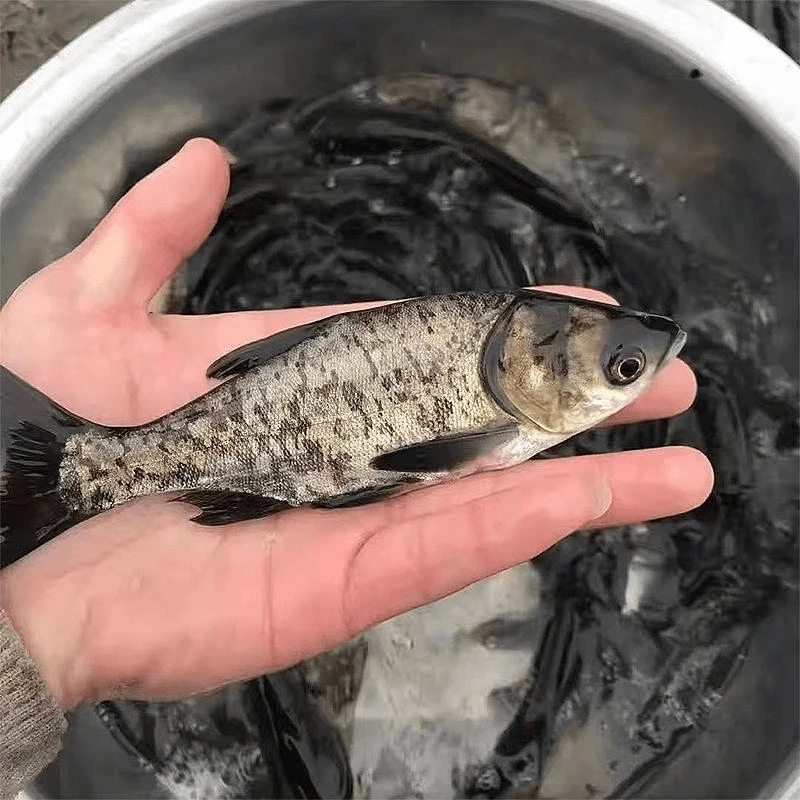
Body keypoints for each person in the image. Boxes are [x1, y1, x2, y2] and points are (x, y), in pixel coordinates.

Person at [0, 139, 713, 797]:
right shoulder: (506, 403)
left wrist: (41, 642)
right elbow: (427, 457)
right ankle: (79, 476)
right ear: (541, 367)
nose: (628, 382)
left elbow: (418, 458)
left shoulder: (512, 363)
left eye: (622, 368)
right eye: (623, 371)